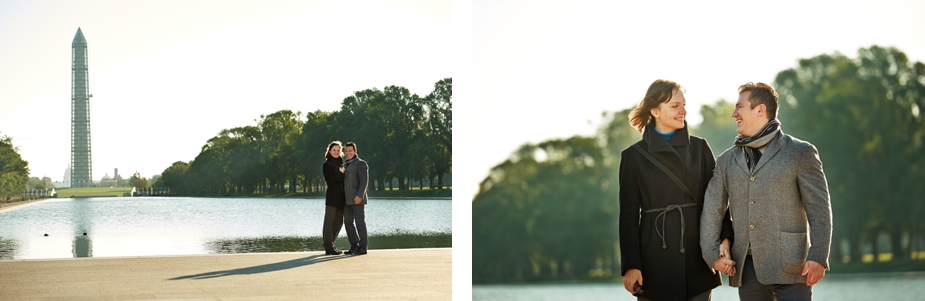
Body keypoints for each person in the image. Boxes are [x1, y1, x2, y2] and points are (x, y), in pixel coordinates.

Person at [700, 82, 832, 301]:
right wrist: (711, 254)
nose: (734, 114)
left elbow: (819, 209)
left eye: (739, 107)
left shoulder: (800, 152)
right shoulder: (726, 161)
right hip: (748, 268)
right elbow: (712, 208)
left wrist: (818, 256)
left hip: (794, 266)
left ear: (760, 110)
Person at [619, 79, 732, 301]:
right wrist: (631, 266)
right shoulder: (633, 157)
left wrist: (725, 239)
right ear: (655, 111)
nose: (683, 111)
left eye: (684, 104)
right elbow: (628, 217)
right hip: (654, 262)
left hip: (698, 259)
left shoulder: (700, 148)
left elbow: (718, 201)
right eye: (675, 106)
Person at [342, 141, 369, 255]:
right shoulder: (345, 165)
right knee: (348, 222)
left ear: (355, 151)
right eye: (346, 151)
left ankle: (363, 247)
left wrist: (359, 196)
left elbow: (364, 181)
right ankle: (354, 245)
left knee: (359, 223)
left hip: (357, 199)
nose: (348, 153)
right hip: (346, 199)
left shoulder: (360, 163)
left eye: (350, 151)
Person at [322, 141, 347, 255]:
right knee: (329, 222)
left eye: (338, 150)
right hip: (332, 198)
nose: (336, 152)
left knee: (339, 222)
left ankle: (329, 243)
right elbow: (330, 181)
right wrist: (341, 174)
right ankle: (329, 247)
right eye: (334, 150)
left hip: (342, 198)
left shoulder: (342, 164)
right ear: (329, 151)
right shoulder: (327, 165)